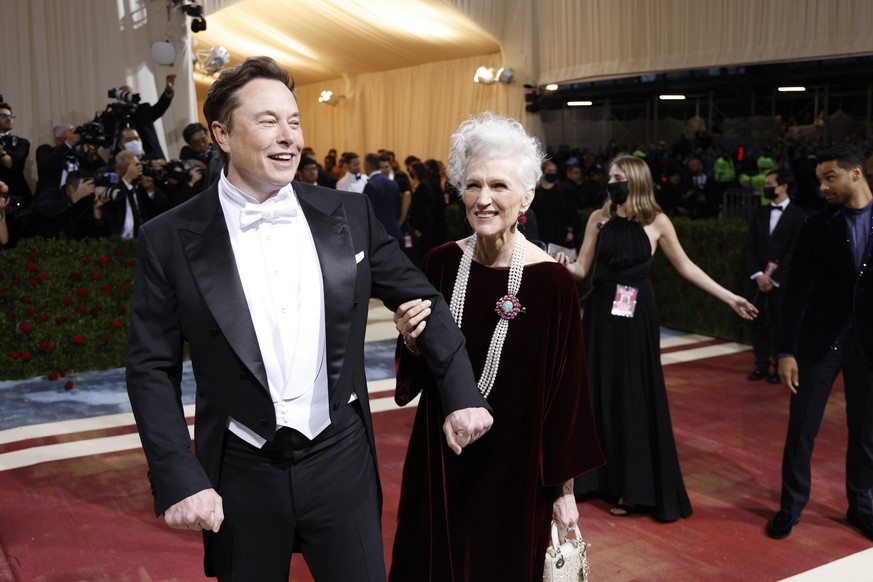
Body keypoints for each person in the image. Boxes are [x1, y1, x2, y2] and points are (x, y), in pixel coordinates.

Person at [125, 56, 492, 581]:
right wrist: (177, 473)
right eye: (268, 121)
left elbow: (422, 299)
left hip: (342, 458)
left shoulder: (349, 214)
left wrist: (461, 394)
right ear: (222, 134)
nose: (288, 137)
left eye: (294, 121)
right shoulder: (169, 239)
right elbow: (149, 367)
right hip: (239, 472)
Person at [389, 113, 604, 581]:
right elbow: (417, 368)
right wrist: (409, 339)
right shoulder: (441, 262)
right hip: (442, 450)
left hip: (517, 464)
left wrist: (563, 489)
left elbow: (567, 393)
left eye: (500, 186)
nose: (483, 199)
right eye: (473, 185)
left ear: (526, 197)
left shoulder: (551, 281)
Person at [557, 154, 757, 522]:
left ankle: (634, 487)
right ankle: (592, 480)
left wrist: (730, 297)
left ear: (635, 180)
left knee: (632, 395)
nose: (611, 181)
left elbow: (686, 267)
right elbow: (583, 269)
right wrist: (559, 263)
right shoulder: (598, 218)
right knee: (597, 390)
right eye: (610, 175)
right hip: (601, 313)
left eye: (618, 176)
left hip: (636, 316)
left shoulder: (657, 221)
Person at [766, 143, 873, 541]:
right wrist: (787, 350)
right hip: (819, 342)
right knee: (801, 431)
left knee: (866, 434)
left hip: (868, 345)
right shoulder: (816, 225)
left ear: (856, 173)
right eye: (819, 180)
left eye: (831, 178)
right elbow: (795, 293)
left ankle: (861, 506)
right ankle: (790, 507)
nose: (824, 187)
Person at [745, 169, 804, 383]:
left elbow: (794, 251)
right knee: (758, 323)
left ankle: (781, 366)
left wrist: (773, 277)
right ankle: (761, 365)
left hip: (783, 282)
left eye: (770, 183)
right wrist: (758, 275)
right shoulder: (759, 212)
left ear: (783, 186)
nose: (766, 187)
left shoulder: (798, 216)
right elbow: (750, 247)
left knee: (782, 324)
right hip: (758, 281)